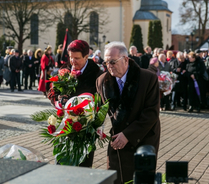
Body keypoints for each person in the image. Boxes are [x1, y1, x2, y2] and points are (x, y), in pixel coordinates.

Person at [96, 41, 160, 184]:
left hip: (143, 136)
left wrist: (128, 135)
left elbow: (151, 113)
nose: (109, 66)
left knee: (140, 179)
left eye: (113, 62)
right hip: (117, 138)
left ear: (125, 60)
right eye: (106, 62)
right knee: (115, 176)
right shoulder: (102, 81)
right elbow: (99, 109)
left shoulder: (148, 79)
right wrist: (98, 126)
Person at [48, 40, 102, 167]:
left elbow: (101, 100)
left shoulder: (97, 74)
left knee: (82, 167)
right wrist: (58, 101)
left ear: (86, 56)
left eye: (77, 58)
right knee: (61, 164)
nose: (73, 61)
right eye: (71, 57)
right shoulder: (64, 70)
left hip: (84, 128)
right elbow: (51, 92)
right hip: (63, 125)